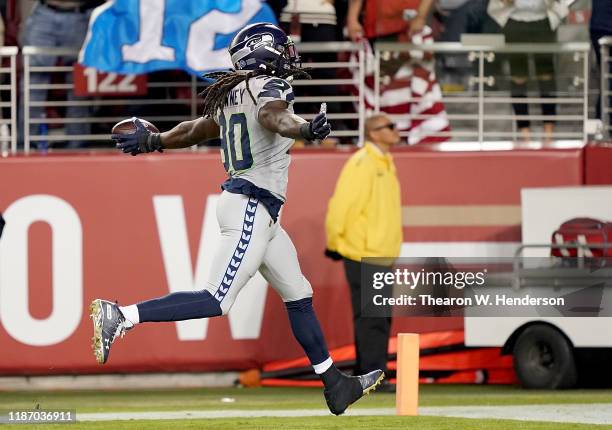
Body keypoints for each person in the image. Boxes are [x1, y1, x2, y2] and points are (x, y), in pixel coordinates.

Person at [90, 23, 384, 416]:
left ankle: (335, 384)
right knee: (216, 300)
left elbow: (196, 129)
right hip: (250, 205)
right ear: (264, 52)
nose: (289, 54)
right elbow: (273, 117)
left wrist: (155, 141)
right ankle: (122, 315)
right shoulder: (267, 88)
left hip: (262, 211)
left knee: (298, 294)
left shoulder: (232, 91)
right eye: (283, 48)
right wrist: (305, 129)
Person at [324, 114, 402, 390]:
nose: (395, 130)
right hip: (365, 252)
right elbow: (341, 206)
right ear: (374, 133)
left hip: (380, 253)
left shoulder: (384, 162)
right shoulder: (363, 163)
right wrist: (334, 243)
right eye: (389, 127)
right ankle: (374, 377)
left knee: (377, 317)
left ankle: (368, 374)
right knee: (373, 319)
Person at [19, 0, 103, 148]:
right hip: (44, 13)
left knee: (79, 84)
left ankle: (78, 143)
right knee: (33, 82)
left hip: (81, 14)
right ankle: (25, 143)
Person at [488, 0, 568, 142]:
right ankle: (526, 135)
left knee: (546, 77)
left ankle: (548, 135)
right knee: (518, 77)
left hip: (543, 21)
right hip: (514, 22)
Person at [590, 0, 612, 131]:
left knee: (606, 77)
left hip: (599, 26)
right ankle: (604, 124)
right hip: (602, 27)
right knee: (607, 77)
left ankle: (602, 123)